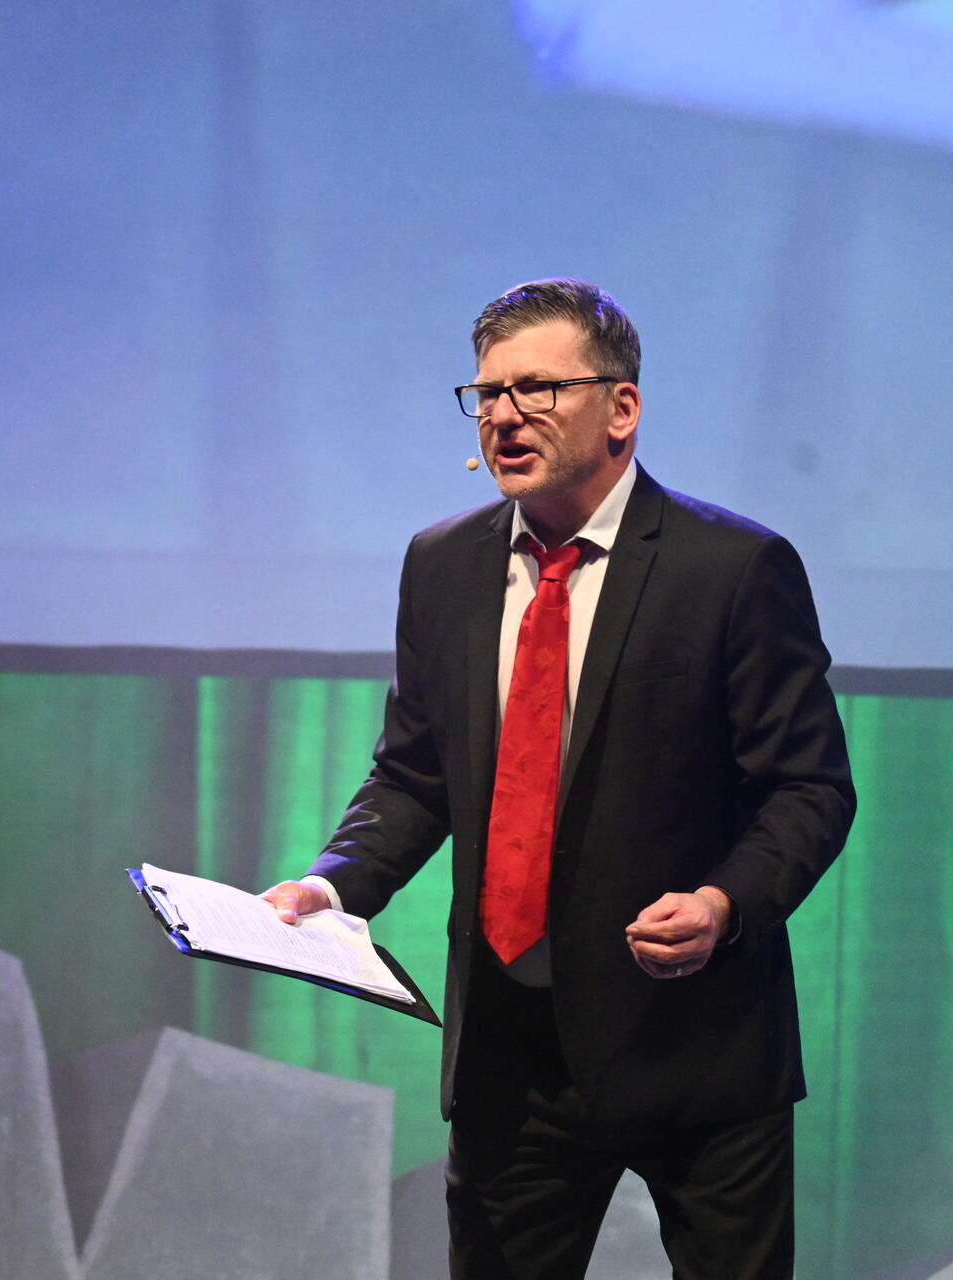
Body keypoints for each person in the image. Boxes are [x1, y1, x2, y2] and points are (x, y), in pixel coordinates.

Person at [262, 279, 854, 1278]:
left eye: (537, 389)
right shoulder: (442, 564)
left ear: (621, 408)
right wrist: (334, 884)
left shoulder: (733, 568)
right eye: (486, 394)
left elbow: (810, 788)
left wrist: (722, 903)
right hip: (510, 1050)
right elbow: (413, 774)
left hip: (695, 1042)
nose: (504, 415)